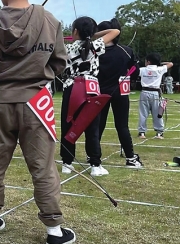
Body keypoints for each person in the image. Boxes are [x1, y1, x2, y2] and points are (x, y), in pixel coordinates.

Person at [0, 0, 75, 244]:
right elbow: (60, 61)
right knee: (42, 166)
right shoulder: (50, 21)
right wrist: (38, 74)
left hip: (0, 104)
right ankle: (54, 230)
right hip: (36, 103)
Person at [60, 17, 119, 177]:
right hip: (90, 88)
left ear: (75, 31)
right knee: (92, 127)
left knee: (68, 125)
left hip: (71, 88)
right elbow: (115, 31)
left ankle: (67, 163)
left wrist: (87, 35)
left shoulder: (67, 48)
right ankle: (95, 164)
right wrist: (92, 35)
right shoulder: (95, 45)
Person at [96, 18, 142, 167]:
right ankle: (130, 158)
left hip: (99, 91)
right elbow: (135, 72)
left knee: (98, 125)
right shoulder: (126, 51)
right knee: (122, 125)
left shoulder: (93, 51)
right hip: (119, 92)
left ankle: (94, 157)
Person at [138, 53, 173, 139]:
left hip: (144, 92)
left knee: (143, 113)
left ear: (148, 62)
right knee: (157, 113)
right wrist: (160, 63)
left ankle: (142, 133)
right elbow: (171, 64)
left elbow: (133, 70)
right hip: (155, 93)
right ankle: (159, 133)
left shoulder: (142, 70)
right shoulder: (159, 69)